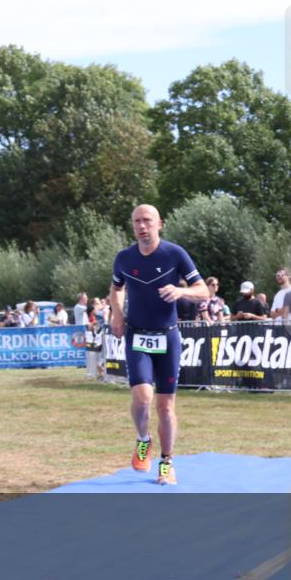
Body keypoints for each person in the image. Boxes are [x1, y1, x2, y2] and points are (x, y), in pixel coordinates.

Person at [109, 204, 207, 486]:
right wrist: (117, 313)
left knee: (166, 407)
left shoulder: (174, 254)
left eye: (147, 221)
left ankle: (166, 462)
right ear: (132, 226)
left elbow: (202, 291)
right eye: (137, 221)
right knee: (142, 398)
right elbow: (116, 288)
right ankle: (143, 439)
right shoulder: (124, 258)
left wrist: (181, 291)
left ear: (159, 224)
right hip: (137, 335)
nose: (142, 226)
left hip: (168, 336)